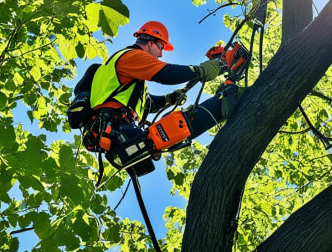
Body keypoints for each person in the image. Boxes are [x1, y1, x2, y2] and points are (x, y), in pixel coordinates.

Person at [88, 20, 238, 175]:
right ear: (151, 42)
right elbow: (165, 73)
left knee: (170, 128)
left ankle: (223, 100)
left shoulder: (121, 70)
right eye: (160, 48)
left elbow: (146, 104)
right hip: (116, 126)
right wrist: (199, 70)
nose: (160, 54)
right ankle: (225, 101)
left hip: (115, 127)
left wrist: (170, 98)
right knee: (179, 126)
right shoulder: (131, 56)